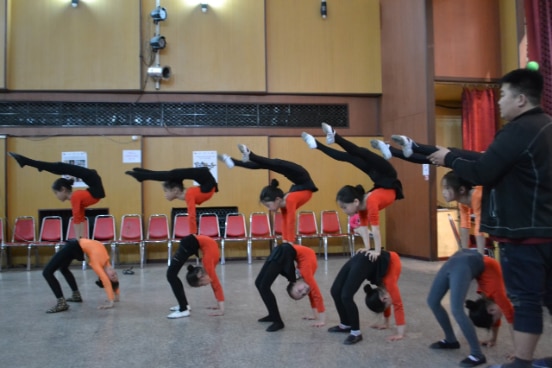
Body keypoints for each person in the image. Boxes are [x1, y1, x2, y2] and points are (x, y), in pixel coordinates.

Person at [429, 68, 552, 368]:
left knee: (525, 301)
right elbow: (490, 159)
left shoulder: (518, 130)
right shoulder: (545, 126)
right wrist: (453, 153)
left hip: (525, 233)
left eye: (503, 96)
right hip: (545, 229)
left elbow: (484, 171)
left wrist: (449, 159)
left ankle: (522, 362)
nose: (498, 103)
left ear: (521, 99)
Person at [302, 123, 403, 260]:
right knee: (349, 157)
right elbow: (365, 228)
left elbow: (375, 229)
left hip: (387, 174)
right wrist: (367, 248)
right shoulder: (364, 205)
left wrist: (377, 251)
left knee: (361, 152)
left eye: (344, 207)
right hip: (381, 179)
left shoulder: (368, 202)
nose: (343, 210)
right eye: (342, 208)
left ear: (355, 201)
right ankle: (317, 144)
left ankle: (335, 137)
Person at [370, 139, 487, 254]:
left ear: (461, 190)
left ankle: (408, 147)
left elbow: (479, 227)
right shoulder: (462, 199)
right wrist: (464, 253)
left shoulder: (476, 195)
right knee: (436, 157)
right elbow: (464, 224)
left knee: (449, 154)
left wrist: (480, 257)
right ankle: (394, 150)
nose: (444, 192)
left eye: (447, 188)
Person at [427, 249, 514, 367]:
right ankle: (476, 353)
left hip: (460, 257)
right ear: (491, 310)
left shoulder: (489, 301)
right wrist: (519, 352)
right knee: (438, 303)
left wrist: (493, 339)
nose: (499, 320)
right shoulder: (499, 296)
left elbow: (494, 316)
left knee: (442, 304)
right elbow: (513, 321)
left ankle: (457, 344)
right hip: (463, 261)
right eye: (495, 321)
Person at [218, 145, 318, 244]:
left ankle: (247, 156)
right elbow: (285, 221)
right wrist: (285, 240)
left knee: (275, 163)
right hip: (299, 180)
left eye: (268, 205)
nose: (269, 209)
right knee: (271, 164)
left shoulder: (289, 200)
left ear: (278, 199)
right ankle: (235, 161)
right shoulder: (285, 202)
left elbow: (291, 221)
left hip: (301, 177)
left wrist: (289, 242)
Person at [8, 153, 105, 239]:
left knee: (60, 166)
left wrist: (78, 239)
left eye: (56, 193)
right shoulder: (79, 196)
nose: (56, 196)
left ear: (63, 189)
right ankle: (33, 163)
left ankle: (31, 163)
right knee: (60, 167)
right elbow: (80, 218)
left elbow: (77, 219)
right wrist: (81, 238)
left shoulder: (76, 196)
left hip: (94, 182)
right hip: (94, 185)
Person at [329, 250, 405, 344]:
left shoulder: (384, 290)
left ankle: (354, 331)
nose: (390, 305)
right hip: (372, 259)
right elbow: (398, 305)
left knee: (343, 294)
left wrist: (386, 323)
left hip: (366, 259)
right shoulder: (390, 283)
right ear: (384, 299)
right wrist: (400, 334)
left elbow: (386, 301)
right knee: (338, 293)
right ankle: (347, 326)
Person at [125, 167, 218, 235]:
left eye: (166, 191)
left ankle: (143, 176)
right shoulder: (190, 193)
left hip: (206, 178)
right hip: (206, 180)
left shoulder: (190, 194)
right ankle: (144, 175)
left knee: (172, 174)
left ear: (175, 191)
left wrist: (192, 234)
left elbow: (192, 216)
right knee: (171, 174)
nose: (165, 194)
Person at [255, 243, 325, 332]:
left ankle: (273, 316)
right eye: (300, 291)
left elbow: (311, 294)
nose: (304, 291)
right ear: (293, 283)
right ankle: (277, 320)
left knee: (259, 283)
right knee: (263, 285)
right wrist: (321, 320)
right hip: (285, 251)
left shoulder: (303, 280)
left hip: (283, 249)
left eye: (302, 294)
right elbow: (316, 295)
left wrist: (315, 315)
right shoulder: (306, 275)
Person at [42, 238, 119, 313]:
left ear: (105, 276)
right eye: (115, 275)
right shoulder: (106, 261)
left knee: (47, 272)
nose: (114, 273)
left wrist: (111, 301)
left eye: (112, 276)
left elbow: (106, 281)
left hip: (73, 247)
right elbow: (113, 283)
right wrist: (116, 295)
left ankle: (61, 303)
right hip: (78, 248)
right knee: (63, 268)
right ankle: (76, 295)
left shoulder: (96, 264)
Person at [166, 234, 224, 318]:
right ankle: (184, 308)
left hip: (192, 241)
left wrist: (220, 307)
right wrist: (221, 310)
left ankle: (184, 307)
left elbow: (215, 285)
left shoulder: (208, 267)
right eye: (202, 284)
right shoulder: (207, 264)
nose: (205, 285)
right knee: (171, 275)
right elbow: (216, 285)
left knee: (171, 275)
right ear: (200, 276)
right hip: (189, 243)